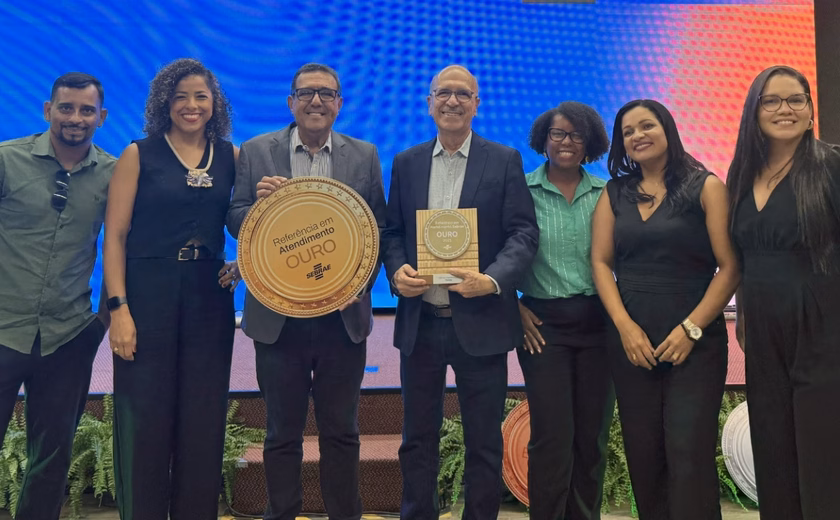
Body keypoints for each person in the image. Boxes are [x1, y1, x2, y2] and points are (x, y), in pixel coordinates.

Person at [226, 62, 386, 520]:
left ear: (339, 103)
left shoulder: (364, 154)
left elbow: (376, 227)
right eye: (307, 92)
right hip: (278, 319)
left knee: (342, 431)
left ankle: (345, 515)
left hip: (342, 319)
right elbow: (235, 220)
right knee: (281, 433)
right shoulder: (257, 152)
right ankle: (281, 514)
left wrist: (361, 284)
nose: (317, 101)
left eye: (327, 93)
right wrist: (257, 205)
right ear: (291, 101)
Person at [381, 64, 539, 520]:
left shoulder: (503, 159)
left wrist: (491, 280)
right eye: (443, 93)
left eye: (463, 94)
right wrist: (397, 272)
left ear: (476, 104)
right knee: (417, 439)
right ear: (429, 102)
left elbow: (523, 233)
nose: (452, 101)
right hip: (421, 324)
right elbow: (392, 233)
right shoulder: (407, 162)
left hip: (482, 323)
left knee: (484, 440)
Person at [104, 58, 239, 520]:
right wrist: (118, 308)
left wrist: (244, 266)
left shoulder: (231, 155)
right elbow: (115, 236)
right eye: (180, 96)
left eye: (201, 96)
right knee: (146, 419)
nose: (191, 105)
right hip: (147, 296)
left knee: (202, 420)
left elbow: (252, 224)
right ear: (165, 102)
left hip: (209, 298)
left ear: (214, 103)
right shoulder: (138, 154)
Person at [591, 99, 739, 520]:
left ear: (667, 129)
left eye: (646, 125)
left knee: (688, 452)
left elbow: (729, 267)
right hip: (632, 343)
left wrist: (691, 328)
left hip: (694, 343)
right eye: (628, 131)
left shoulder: (705, 186)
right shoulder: (614, 192)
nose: (637, 135)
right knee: (644, 452)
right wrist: (624, 327)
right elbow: (601, 263)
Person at [727, 65, 840, 520]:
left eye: (795, 99)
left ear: (811, 111)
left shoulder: (831, 165)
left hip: (823, 328)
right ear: (755, 111)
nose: (784, 109)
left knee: (822, 450)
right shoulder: (741, 173)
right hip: (761, 329)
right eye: (770, 100)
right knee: (772, 447)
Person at [0, 72, 114, 520]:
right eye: (66, 107)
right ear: (48, 110)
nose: (75, 118)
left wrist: (101, 323)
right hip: (2, 329)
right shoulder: (7, 161)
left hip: (68, 337)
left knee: (52, 458)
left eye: (87, 110)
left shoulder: (113, 173)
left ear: (101, 117)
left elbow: (124, 246)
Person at [517, 101, 614, 520]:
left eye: (576, 135)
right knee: (551, 437)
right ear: (544, 138)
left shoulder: (606, 193)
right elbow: (495, 253)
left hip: (599, 324)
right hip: (542, 327)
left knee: (591, 438)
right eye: (558, 133)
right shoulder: (520, 189)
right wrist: (513, 307)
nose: (566, 142)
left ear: (589, 142)